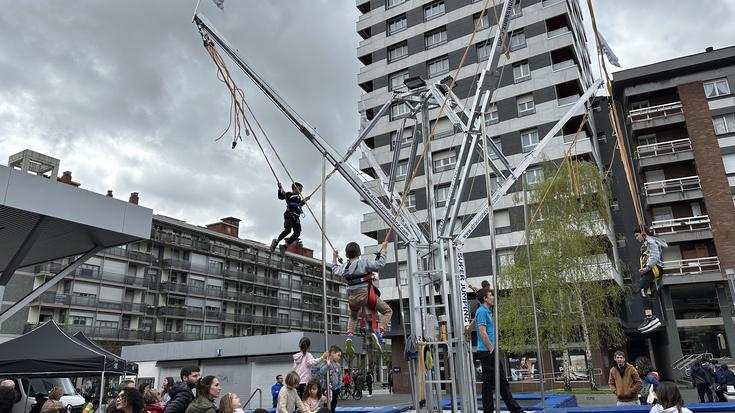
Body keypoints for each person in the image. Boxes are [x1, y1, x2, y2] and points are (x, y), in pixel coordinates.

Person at [332, 242, 393, 353]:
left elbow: (335, 269)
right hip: (367, 296)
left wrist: (334, 258)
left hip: (353, 298)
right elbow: (380, 263)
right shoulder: (364, 263)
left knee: (353, 317)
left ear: (346, 256)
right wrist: (384, 250)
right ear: (360, 253)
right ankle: (379, 332)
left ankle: (349, 336)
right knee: (388, 311)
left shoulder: (344, 267)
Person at [473, 288, 524, 413]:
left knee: (494, 383)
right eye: (491, 295)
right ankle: (515, 410)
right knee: (496, 382)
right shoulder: (482, 311)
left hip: (489, 351)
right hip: (487, 351)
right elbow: (482, 331)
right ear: (485, 298)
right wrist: (491, 348)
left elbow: (476, 321)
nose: (493, 297)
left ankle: (512, 410)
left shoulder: (487, 310)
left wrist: (468, 328)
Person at [634, 227, 668, 333]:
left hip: (653, 269)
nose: (636, 238)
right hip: (651, 270)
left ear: (642, 234)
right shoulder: (646, 244)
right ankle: (652, 318)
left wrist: (647, 268)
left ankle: (650, 317)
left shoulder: (651, 242)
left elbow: (655, 255)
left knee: (642, 290)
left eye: (637, 235)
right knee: (646, 291)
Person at [270, 182, 311, 253]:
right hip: (289, 215)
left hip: (296, 218)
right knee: (287, 230)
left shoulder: (298, 197)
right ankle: (276, 241)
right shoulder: (289, 194)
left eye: (301, 189)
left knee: (297, 233)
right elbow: (281, 197)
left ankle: (285, 246)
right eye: (300, 189)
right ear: (294, 188)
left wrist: (305, 200)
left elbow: (299, 204)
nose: (301, 191)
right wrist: (280, 189)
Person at [316, 346, 342, 413]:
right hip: (326, 387)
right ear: (332, 353)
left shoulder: (337, 365)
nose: (339, 358)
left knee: (333, 404)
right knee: (326, 404)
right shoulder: (325, 362)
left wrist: (339, 385)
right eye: (338, 355)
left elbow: (339, 375)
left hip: (335, 388)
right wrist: (327, 365)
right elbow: (321, 372)